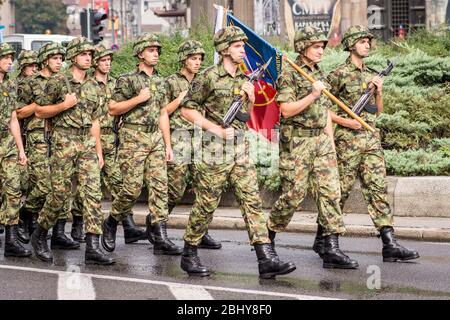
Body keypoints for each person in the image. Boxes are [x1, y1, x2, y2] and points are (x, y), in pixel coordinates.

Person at [179, 26, 296, 278]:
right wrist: (215, 129)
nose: (243, 49)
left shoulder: (244, 78)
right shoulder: (208, 77)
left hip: (240, 149)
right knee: (206, 205)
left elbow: (246, 114)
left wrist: (251, 98)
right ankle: (189, 253)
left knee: (252, 201)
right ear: (224, 49)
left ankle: (265, 259)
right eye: (237, 46)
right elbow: (187, 110)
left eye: (243, 45)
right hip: (213, 150)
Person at [266, 26, 358, 269]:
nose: (321, 51)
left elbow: (324, 113)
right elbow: (285, 110)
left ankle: (332, 248)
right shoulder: (290, 74)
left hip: (320, 141)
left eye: (322, 47)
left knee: (331, 193)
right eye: (316, 47)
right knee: (293, 196)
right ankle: (267, 237)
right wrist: (312, 95)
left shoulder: (319, 73)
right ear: (302, 48)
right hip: (298, 142)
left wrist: (330, 142)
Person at [324, 25, 419, 262]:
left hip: (371, 141)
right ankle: (326, 242)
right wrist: (345, 120)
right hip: (347, 142)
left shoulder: (372, 75)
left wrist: (379, 92)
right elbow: (322, 110)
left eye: (369, 41)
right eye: (362, 41)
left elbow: (377, 113)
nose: (367, 45)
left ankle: (389, 243)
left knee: (378, 189)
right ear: (350, 45)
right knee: (339, 193)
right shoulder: (337, 75)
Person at [31, 37, 114, 265]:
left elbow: (96, 120)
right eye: (83, 54)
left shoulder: (93, 85)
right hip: (63, 141)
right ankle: (39, 234)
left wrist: (98, 151)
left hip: (86, 141)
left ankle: (93, 247)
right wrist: (63, 106)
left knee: (93, 195)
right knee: (59, 195)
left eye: (90, 54)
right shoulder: (59, 82)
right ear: (73, 57)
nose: (88, 58)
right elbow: (39, 111)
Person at [102, 33, 182, 256]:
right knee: (132, 190)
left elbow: (163, 114)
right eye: (151, 50)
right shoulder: (127, 79)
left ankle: (161, 237)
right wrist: (138, 98)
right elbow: (113, 108)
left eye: (157, 50)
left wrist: (168, 144)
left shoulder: (161, 81)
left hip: (155, 138)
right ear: (139, 53)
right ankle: (110, 222)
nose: (155, 54)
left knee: (160, 188)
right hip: (133, 139)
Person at [71, 44, 146, 244]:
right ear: (96, 63)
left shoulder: (114, 84)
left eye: (109, 61)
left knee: (118, 183)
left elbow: (121, 106)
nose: (107, 64)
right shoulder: (88, 85)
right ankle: (78, 224)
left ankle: (128, 226)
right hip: (89, 138)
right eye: (103, 60)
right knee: (86, 187)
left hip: (111, 139)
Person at [16, 43, 76, 248]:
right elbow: (18, 113)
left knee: (62, 187)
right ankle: (25, 214)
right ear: (45, 60)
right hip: (37, 136)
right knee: (42, 185)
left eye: (61, 58)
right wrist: (41, 105)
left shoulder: (65, 81)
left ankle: (57, 231)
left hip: (60, 136)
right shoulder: (30, 83)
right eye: (55, 58)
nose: (60, 62)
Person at [164, 40, 221, 250]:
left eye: (199, 59)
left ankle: (201, 230)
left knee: (203, 187)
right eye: (193, 59)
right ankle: (158, 226)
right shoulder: (170, 82)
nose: (197, 63)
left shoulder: (203, 81)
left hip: (201, 138)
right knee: (175, 189)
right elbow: (162, 113)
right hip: (179, 137)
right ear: (183, 59)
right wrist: (179, 100)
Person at [0, 43, 30, 257]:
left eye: (12, 58)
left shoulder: (10, 85)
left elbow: (13, 119)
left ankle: (11, 240)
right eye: (6, 58)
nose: (10, 62)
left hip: (7, 142)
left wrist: (21, 149)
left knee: (13, 189)